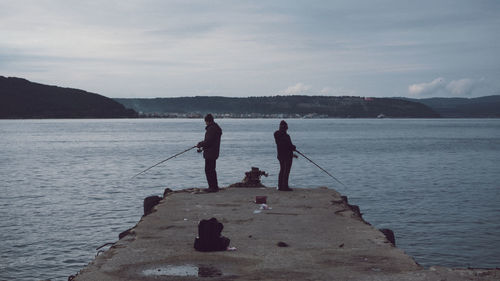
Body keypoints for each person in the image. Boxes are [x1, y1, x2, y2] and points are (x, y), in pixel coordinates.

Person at [197, 114, 222, 192]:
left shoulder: (211, 129)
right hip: (214, 152)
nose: (205, 123)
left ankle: (212, 187)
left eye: (205, 121)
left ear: (207, 121)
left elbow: (208, 142)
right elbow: (211, 142)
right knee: (212, 170)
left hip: (210, 153)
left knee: (209, 170)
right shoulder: (216, 128)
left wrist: (200, 144)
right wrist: (203, 147)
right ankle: (214, 186)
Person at [274, 120, 297, 191]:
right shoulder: (281, 135)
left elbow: (287, 145)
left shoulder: (278, 134)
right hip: (284, 156)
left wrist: (292, 149)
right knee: (285, 171)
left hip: (284, 155)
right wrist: (292, 147)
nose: (286, 129)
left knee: (283, 170)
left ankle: (281, 186)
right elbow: (286, 144)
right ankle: (284, 186)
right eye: (286, 127)